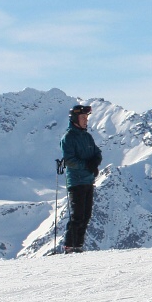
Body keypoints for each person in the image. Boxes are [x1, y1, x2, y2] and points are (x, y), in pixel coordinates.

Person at [60, 104, 102, 253]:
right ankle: (70, 246)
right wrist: (88, 165)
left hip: (88, 180)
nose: (86, 121)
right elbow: (69, 160)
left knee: (86, 215)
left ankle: (78, 246)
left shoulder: (87, 136)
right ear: (75, 119)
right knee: (77, 216)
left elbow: (97, 152)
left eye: (86, 118)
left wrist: (95, 162)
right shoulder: (68, 137)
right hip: (76, 181)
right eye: (83, 117)